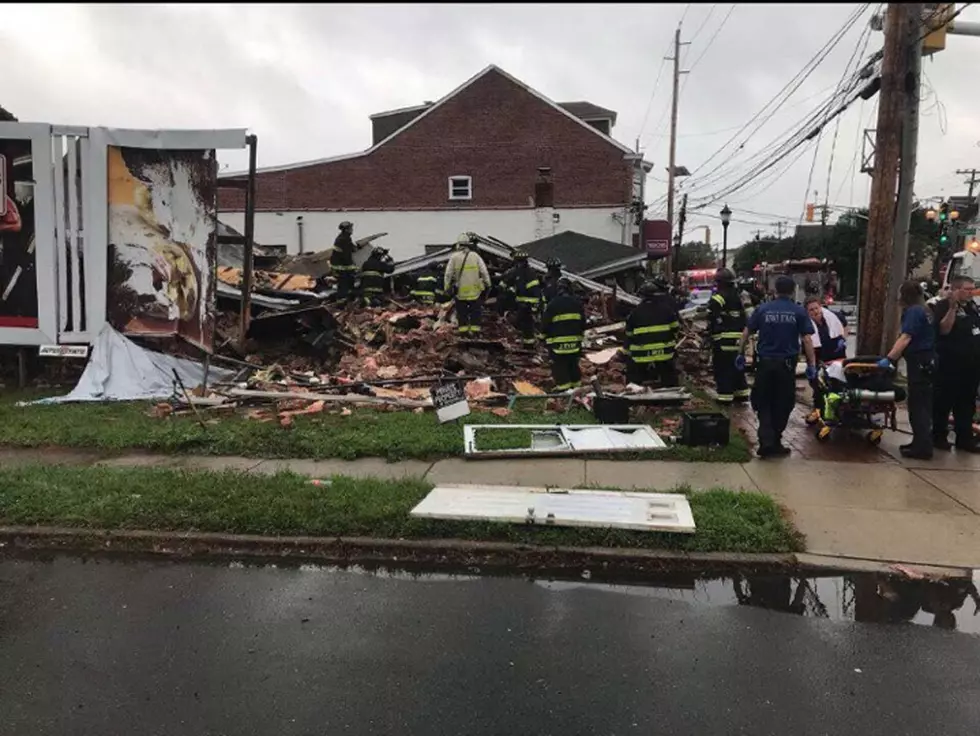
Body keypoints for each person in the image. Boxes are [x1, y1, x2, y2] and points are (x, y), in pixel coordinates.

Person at [738, 275, 817, 459]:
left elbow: (747, 332)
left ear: (774, 290)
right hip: (786, 366)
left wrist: (740, 354)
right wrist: (811, 364)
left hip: (764, 364)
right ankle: (775, 440)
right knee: (783, 403)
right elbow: (807, 339)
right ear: (792, 291)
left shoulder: (763, 309)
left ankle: (766, 440)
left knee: (763, 401)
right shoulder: (798, 311)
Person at [879, 280, 936, 460]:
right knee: (923, 404)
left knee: (918, 406)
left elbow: (906, 338)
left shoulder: (913, 312)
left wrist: (889, 359)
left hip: (919, 362)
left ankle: (922, 448)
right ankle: (920, 442)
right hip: (928, 361)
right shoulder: (926, 309)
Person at [931, 275, 980, 453]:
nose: (971, 292)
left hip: (971, 365)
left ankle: (964, 437)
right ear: (956, 289)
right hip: (950, 364)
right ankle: (938, 436)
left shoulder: (972, 306)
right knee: (944, 401)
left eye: (973, 289)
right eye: (967, 289)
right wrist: (952, 308)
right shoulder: (943, 306)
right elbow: (944, 329)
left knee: (966, 403)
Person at [624, 278, 680, 387]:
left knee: (634, 378)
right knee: (669, 376)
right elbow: (675, 328)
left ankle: (634, 390)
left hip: (641, 355)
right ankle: (672, 394)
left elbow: (629, 335)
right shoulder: (667, 310)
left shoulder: (634, 313)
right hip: (664, 353)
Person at [708, 268, 749, 404]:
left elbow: (712, 318)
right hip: (740, 340)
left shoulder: (718, 298)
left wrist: (712, 337)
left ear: (719, 282)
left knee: (723, 368)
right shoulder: (741, 296)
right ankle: (742, 393)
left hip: (723, 340)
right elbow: (749, 316)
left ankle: (725, 397)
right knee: (738, 367)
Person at [804, 296, 848, 422]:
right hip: (820, 358)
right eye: (811, 310)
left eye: (816, 308)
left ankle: (839, 409)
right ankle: (819, 409)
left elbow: (845, 326)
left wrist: (843, 339)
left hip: (837, 356)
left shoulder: (833, 317)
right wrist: (812, 364)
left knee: (839, 383)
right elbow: (808, 343)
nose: (815, 312)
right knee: (819, 385)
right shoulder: (807, 324)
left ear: (821, 307)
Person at [542, 278, 586, 391]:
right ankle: (577, 388)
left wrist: (542, 337)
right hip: (574, 344)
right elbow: (583, 323)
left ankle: (564, 390)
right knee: (573, 365)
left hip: (558, 345)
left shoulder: (553, 304)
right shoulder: (577, 303)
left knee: (560, 366)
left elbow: (545, 324)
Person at [444, 233, 491, 336]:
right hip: (475, 292)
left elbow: (448, 274)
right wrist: (488, 284)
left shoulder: (454, 257)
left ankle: (463, 333)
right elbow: (484, 272)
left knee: (462, 313)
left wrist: (447, 287)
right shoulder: (475, 256)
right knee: (475, 313)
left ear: (458, 244)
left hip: (460, 292)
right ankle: (475, 332)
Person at [501, 250, 543, 348]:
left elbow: (534, 291)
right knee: (525, 324)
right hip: (525, 303)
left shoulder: (522, 272)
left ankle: (529, 345)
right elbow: (507, 282)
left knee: (525, 324)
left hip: (527, 303)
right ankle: (528, 344)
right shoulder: (528, 272)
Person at [329, 221, 359, 304]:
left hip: (341, 266)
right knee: (344, 285)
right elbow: (346, 256)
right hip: (342, 267)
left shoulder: (344, 238)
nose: (352, 230)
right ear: (346, 229)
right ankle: (341, 304)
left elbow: (350, 248)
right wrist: (353, 268)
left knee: (348, 284)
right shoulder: (343, 239)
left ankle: (348, 300)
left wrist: (355, 247)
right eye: (350, 228)